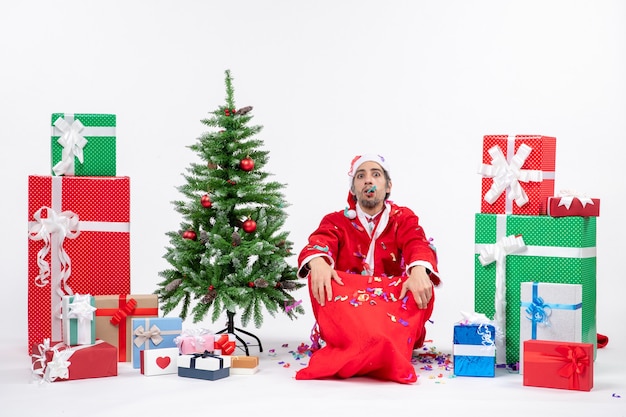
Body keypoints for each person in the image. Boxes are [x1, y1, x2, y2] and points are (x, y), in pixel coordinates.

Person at [295, 153, 441, 382]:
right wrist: (317, 261)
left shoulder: (403, 218)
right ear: (353, 189)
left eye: (376, 174)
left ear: (388, 185)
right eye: (360, 176)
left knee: (418, 278)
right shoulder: (335, 221)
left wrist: (419, 270)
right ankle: (373, 347)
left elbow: (416, 242)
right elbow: (320, 241)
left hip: (391, 302)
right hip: (350, 305)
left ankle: (364, 348)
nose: (368, 180)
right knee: (325, 277)